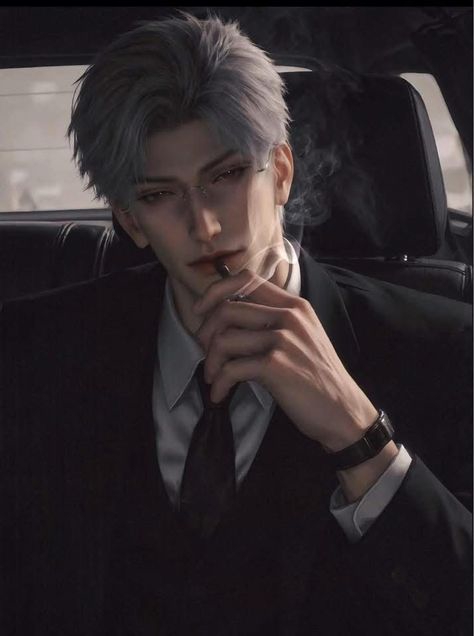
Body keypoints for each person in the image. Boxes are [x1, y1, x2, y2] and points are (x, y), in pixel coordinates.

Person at [0, 12, 471, 636]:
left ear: (281, 173)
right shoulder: (31, 352)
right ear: (130, 219)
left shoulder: (447, 350)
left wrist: (358, 433)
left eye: (225, 176)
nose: (205, 226)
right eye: (161, 195)